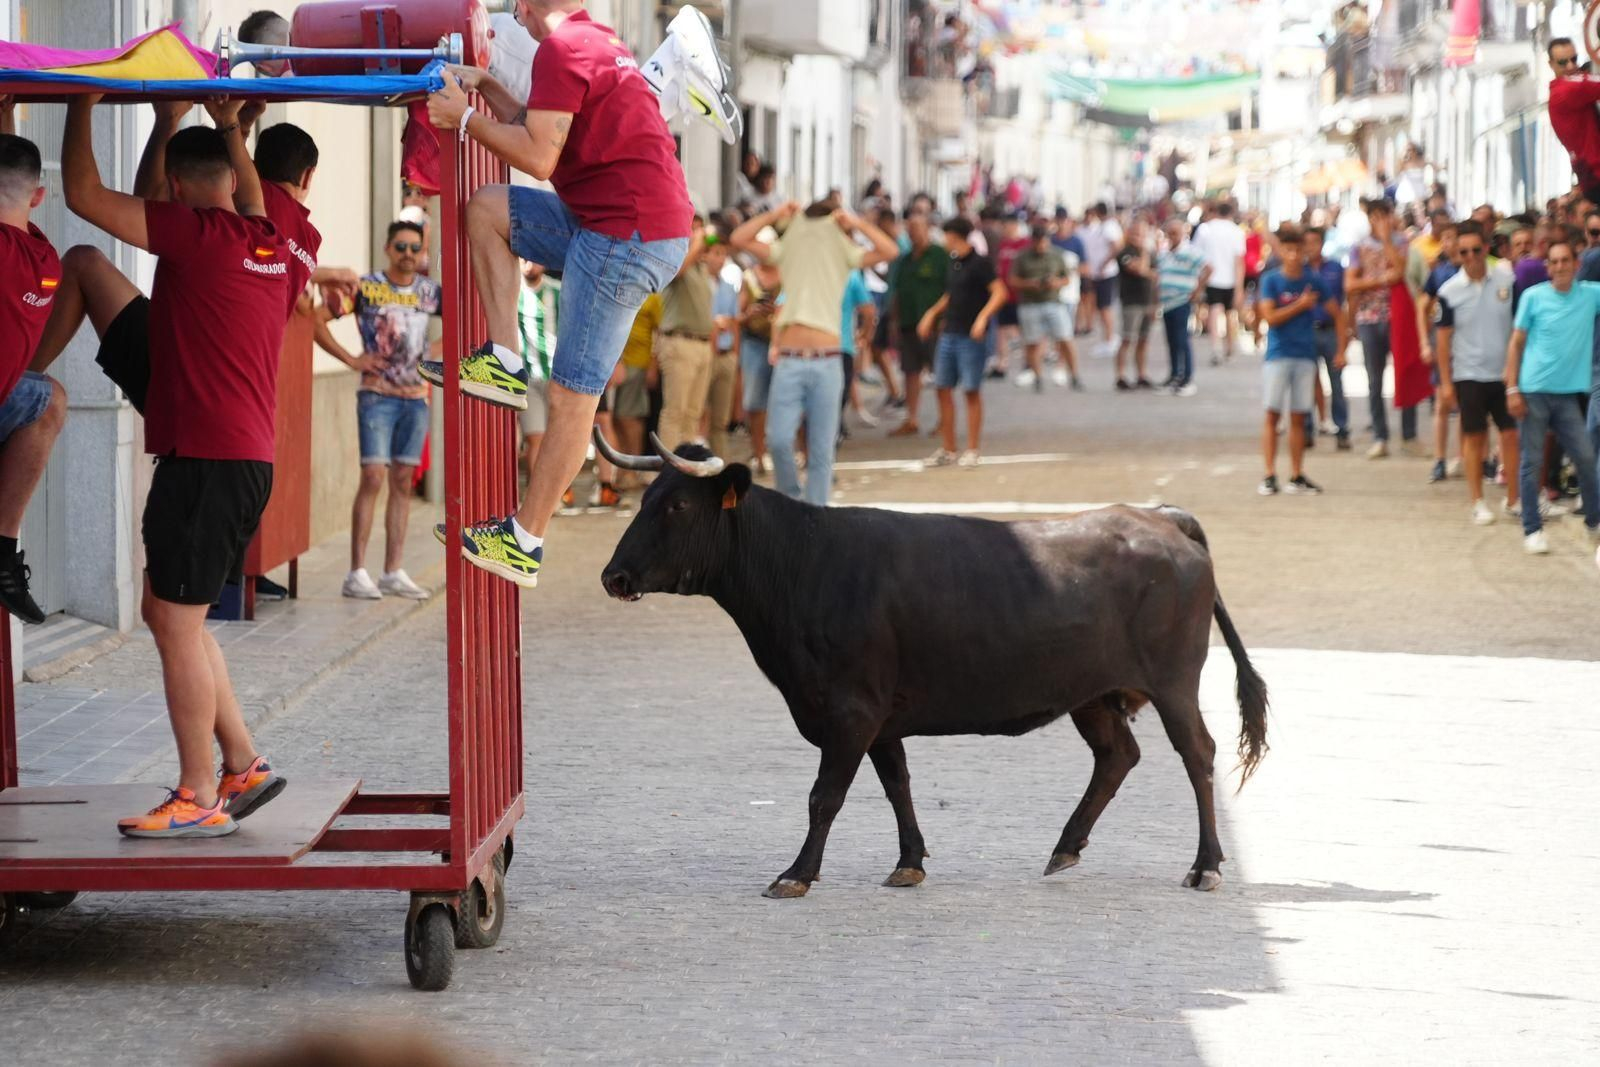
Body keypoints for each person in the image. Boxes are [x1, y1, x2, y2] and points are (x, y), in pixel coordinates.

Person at [61, 95, 289, 837]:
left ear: (185, 189)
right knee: (171, 614)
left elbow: (84, 196)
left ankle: (198, 792)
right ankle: (244, 763)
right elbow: (242, 188)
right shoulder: (265, 236)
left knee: (179, 625)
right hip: (239, 454)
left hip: (208, 461)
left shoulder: (196, 237)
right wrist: (206, 125)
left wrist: (80, 104)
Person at [422, 0, 699, 589]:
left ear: (524, 6)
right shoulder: (595, 39)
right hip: (620, 219)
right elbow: (544, 123)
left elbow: (539, 155)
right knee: (488, 210)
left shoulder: (563, 48)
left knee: (575, 398)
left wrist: (463, 120)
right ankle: (503, 360)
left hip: (624, 233)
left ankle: (523, 542)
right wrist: (490, 87)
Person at [730, 199, 897, 503]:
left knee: (822, 451)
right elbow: (738, 238)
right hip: (791, 361)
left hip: (828, 361)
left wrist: (855, 222)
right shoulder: (789, 249)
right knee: (779, 440)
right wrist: (775, 214)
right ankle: (791, 500)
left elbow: (890, 251)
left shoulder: (840, 252)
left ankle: (814, 515)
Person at [312, 220, 440, 601]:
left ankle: (393, 571)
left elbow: (468, 318)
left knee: (402, 480)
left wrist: (434, 354)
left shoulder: (430, 292)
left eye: (414, 248)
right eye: (400, 246)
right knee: (372, 476)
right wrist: (352, 359)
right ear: (387, 248)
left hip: (416, 400)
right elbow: (316, 320)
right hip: (376, 397)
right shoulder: (365, 288)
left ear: (422, 253)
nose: (407, 254)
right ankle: (356, 572)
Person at [0, 98, 66, 625]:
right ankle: (3, 549)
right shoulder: (45, 262)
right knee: (49, 396)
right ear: (40, 196)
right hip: (7, 405)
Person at [1502, 238, 1600, 554]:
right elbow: (1516, 344)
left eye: (1565, 261)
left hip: (1568, 395)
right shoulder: (1533, 297)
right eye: (1554, 262)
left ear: (1576, 264)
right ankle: (1532, 529)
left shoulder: (1590, 296)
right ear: (1548, 267)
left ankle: (1594, 524)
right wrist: (1512, 388)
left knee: (1585, 457)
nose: (1559, 267)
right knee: (1531, 462)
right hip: (1533, 392)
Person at [1434, 221, 1519, 526]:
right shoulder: (1449, 291)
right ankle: (1477, 501)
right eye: (1463, 252)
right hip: (1468, 374)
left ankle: (1513, 499)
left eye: (1475, 250)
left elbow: (1517, 327)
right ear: (1457, 253)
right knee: (1474, 437)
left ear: (1486, 249)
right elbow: (1442, 341)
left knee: (1510, 435)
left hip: (1504, 373)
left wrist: (1516, 369)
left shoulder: (1507, 279)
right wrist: (1445, 383)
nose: (1470, 257)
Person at [1256, 225, 1346, 496]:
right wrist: (1300, 305)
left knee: (1298, 417)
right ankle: (1270, 474)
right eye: (1289, 250)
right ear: (1281, 251)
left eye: (1298, 250)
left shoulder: (1314, 280)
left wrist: (1341, 349)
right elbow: (1269, 317)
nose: (1294, 255)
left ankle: (1296, 473)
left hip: (1305, 355)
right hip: (1278, 355)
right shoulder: (1271, 280)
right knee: (1272, 414)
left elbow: (1337, 313)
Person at [918, 216, 1008, 468]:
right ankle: (948, 448)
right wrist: (932, 313)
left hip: (970, 336)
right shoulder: (954, 263)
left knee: (971, 390)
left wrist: (982, 318)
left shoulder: (980, 263)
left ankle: (972, 448)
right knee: (942, 388)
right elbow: (951, 294)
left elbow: (999, 292)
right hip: (950, 333)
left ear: (954, 236)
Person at [1346, 198, 1416, 458]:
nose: (1377, 221)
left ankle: (1409, 435)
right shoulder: (1359, 247)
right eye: (1373, 216)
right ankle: (1380, 435)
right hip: (1368, 318)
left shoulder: (1401, 243)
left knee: (1403, 374)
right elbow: (1350, 285)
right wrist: (1379, 280)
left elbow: (1400, 271)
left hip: (1397, 317)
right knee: (1374, 380)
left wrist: (1387, 240)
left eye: (1382, 215)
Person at [884, 212, 949, 436]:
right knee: (910, 371)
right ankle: (911, 419)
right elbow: (896, 292)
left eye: (918, 227)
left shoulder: (940, 256)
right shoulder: (904, 260)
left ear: (927, 229)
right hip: (908, 322)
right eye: (910, 228)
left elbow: (950, 290)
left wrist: (945, 318)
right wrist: (894, 320)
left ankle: (945, 419)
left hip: (934, 325)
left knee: (939, 371)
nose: (913, 232)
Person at [656, 222, 717, 448]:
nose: (698, 234)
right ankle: (671, 473)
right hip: (679, 342)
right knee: (675, 412)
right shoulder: (674, 259)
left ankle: (686, 469)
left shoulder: (701, 267)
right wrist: (698, 241)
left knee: (693, 413)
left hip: (702, 344)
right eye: (693, 228)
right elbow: (678, 271)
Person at [1009, 221, 1081, 392]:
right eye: (1038, 242)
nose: (1041, 246)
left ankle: (1075, 375)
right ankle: (1038, 376)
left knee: (1065, 339)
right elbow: (1012, 280)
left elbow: (1067, 278)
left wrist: (1055, 283)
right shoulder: (1022, 257)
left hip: (1053, 302)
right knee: (1032, 342)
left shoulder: (1056, 255)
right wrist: (1031, 284)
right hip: (1030, 304)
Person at [1416, 220, 1461, 483]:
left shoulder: (1472, 271)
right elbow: (1422, 306)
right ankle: (1440, 458)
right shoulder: (1439, 272)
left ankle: (1464, 457)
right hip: (1443, 342)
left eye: (1452, 237)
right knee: (1442, 403)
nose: (1448, 243)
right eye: (1444, 237)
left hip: (1468, 345)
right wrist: (1424, 341)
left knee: (1467, 404)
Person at [1303, 227, 1350, 447]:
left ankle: (1342, 429)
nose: (1310, 247)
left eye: (1314, 242)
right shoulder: (1299, 271)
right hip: (1306, 331)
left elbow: (1342, 306)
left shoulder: (1335, 268)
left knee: (1336, 382)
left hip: (1330, 330)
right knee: (1306, 382)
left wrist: (1344, 345)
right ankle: (1306, 429)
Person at [513, 259, 558, 483]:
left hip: (556, 378)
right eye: (525, 259)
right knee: (536, 438)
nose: (531, 264)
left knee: (556, 439)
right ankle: (537, 494)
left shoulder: (557, 292)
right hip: (526, 377)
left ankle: (556, 494)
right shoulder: (512, 291)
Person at [611, 292, 661, 484]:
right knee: (615, 420)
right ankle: (624, 470)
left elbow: (659, 332)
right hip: (614, 363)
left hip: (638, 362)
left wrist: (653, 366)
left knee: (629, 418)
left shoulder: (653, 296)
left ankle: (634, 469)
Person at [735, 253, 780, 469]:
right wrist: (751, 313)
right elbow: (738, 316)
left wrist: (777, 312)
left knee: (787, 401)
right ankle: (760, 454)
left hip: (782, 343)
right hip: (754, 343)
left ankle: (794, 452)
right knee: (755, 403)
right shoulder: (749, 277)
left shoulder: (788, 273)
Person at [1156, 217, 1210, 397]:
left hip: (1181, 301)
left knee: (1182, 340)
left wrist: (1197, 290)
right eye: (1169, 233)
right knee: (1171, 340)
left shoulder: (1191, 252)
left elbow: (1208, 268)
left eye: (1175, 233)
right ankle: (1174, 375)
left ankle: (1186, 377)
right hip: (1167, 302)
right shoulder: (1164, 253)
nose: (1172, 236)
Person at [1545, 38, 1600, 203]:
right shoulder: (1566, 89)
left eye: (1574, 59)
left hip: (1590, 177)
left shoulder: (1562, 89)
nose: (1570, 66)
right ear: (1551, 64)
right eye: (1563, 62)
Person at [1193, 201, 1246, 365]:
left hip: (1212, 277)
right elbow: (1239, 261)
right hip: (1230, 278)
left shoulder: (1206, 229)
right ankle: (1230, 348)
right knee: (1230, 314)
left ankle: (1216, 348)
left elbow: (1196, 254)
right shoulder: (1237, 231)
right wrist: (1239, 287)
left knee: (1214, 311)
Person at [706, 236, 741, 458]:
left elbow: (735, 321)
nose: (720, 259)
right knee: (697, 412)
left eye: (723, 254)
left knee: (721, 418)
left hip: (726, 353)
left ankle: (720, 461)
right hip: (705, 352)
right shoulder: (698, 284)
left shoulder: (729, 287)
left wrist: (735, 356)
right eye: (715, 253)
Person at [1113, 216, 1156, 390]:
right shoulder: (1125, 252)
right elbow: (1140, 270)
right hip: (1131, 301)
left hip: (1147, 301)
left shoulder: (1150, 253)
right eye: (1136, 232)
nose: (1139, 236)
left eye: (1142, 233)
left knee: (1143, 339)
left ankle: (1141, 374)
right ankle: (1121, 375)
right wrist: (1144, 261)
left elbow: (1154, 275)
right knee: (1127, 338)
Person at [1079, 203, 1122, 351]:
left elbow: (1116, 246)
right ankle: (1108, 337)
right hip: (1099, 273)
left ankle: (1110, 338)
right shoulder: (1104, 226)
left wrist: (1104, 263)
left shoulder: (1109, 226)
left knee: (1105, 307)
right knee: (1100, 306)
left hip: (1106, 273)